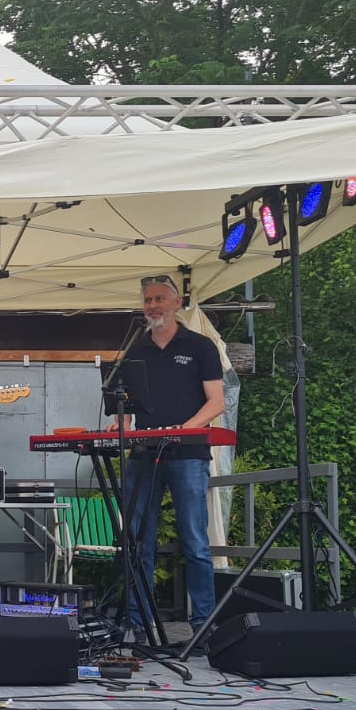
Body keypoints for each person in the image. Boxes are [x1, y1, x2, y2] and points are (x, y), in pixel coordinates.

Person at [111, 273, 226, 640]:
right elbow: (124, 403)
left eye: (159, 299)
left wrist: (182, 430)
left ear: (177, 303)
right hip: (143, 454)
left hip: (188, 453)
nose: (152, 306)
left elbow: (217, 402)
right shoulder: (135, 348)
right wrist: (121, 423)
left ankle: (203, 625)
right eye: (148, 300)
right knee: (137, 541)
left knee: (194, 540)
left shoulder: (200, 346)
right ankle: (137, 622)